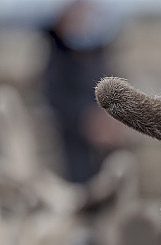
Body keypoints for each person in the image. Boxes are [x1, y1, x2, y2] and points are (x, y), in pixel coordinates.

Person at [42, 0, 127, 184]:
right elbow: (55, 97)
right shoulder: (58, 59)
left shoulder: (100, 53)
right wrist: (85, 121)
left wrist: (116, 119)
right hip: (75, 148)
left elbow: (116, 86)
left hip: (108, 145)